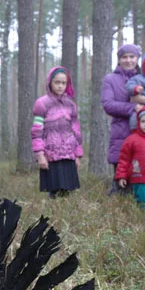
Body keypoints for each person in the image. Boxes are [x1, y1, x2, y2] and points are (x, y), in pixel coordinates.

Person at [31, 66, 83, 198]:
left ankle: (65, 217)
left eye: (63, 83)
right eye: (57, 82)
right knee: (54, 192)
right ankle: (53, 216)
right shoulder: (42, 104)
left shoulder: (71, 105)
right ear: (50, 82)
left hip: (68, 155)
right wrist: (40, 154)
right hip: (51, 156)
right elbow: (37, 131)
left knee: (68, 192)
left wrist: (77, 155)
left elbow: (76, 130)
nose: (60, 86)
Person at [102, 44, 142, 194]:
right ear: (119, 60)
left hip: (143, 134)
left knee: (142, 180)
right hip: (121, 135)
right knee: (121, 181)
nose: (128, 60)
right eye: (124, 57)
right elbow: (108, 104)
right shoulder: (110, 79)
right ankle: (115, 212)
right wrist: (132, 107)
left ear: (137, 58)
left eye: (132, 57)